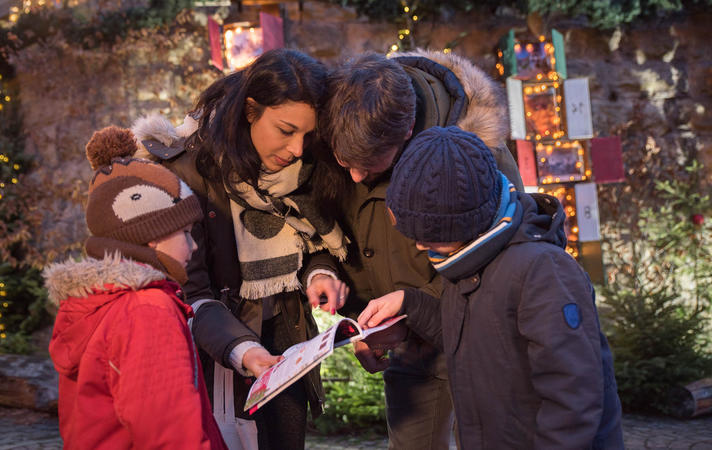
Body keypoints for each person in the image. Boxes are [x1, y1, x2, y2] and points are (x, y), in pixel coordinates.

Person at [131, 48, 350, 450]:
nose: (298, 149)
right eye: (286, 130)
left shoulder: (302, 167)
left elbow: (311, 237)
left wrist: (320, 273)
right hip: (217, 353)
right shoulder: (185, 171)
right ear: (250, 110)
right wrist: (243, 349)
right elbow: (188, 293)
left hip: (288, 345)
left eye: (307, 135)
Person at [359, 126, 625, 449]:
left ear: (466, 221)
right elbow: (475, 338)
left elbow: (574, 398)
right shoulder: (468, 258)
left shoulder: (542, 271)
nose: (417, 244)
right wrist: (410, 305)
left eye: (428, 234)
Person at [322, 50, 525, 449]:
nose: (356, 177)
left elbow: (507, 269)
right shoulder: (348, 133)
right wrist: (363, 320)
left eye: (369, 165)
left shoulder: (479, 158)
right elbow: (336, 236)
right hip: (409, 352)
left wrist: (414, 306)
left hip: (479, 348)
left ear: (407, 130)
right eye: (345, 162)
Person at [44, 126, 226, 449]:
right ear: (151, 236)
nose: (193, 247)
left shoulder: (107, 303)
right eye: (185, 233)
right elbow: (170, 433)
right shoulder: (148, 310)